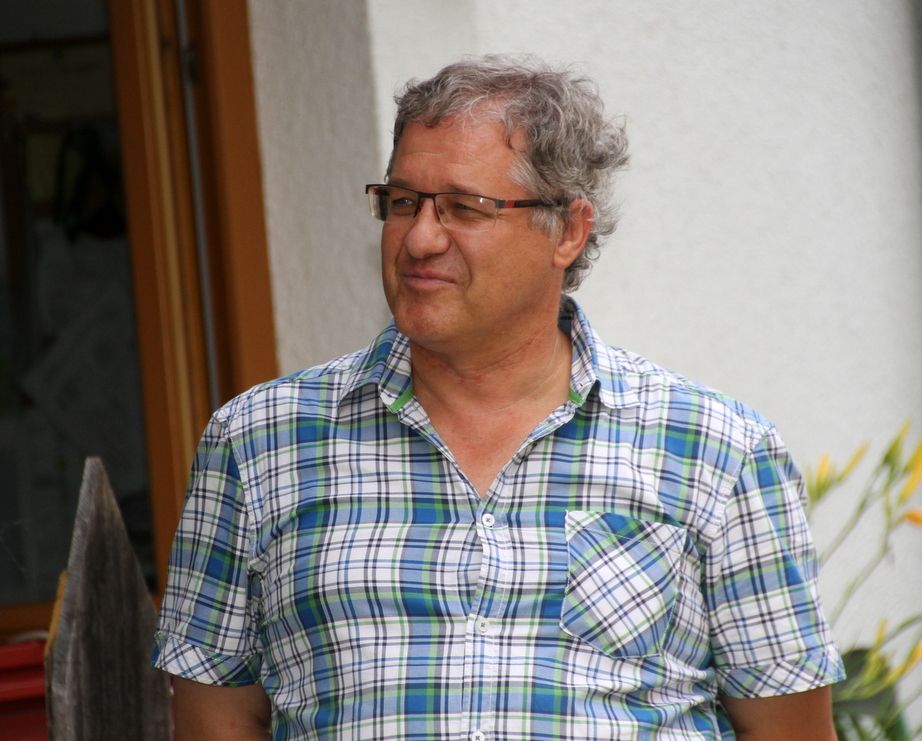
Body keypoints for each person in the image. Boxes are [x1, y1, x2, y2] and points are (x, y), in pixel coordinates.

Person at [153, 55, 845, 740]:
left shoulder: (718, 450)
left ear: (568, 230)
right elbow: (217, 720)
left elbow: (789, 732)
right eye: (403, 202)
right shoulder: (258, 441)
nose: (420, 238)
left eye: (465, 208)